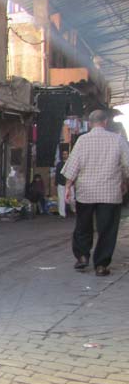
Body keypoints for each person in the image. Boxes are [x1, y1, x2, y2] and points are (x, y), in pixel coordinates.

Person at [63, 109, 129, 276]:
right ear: (105, 122)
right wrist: (124, 181)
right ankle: (101, 265)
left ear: (90, 123)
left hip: (86, 192)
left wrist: (68, 187)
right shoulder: (118, 140)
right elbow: (127, 166)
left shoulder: (82, 140)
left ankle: (83, 256)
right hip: (110, 193)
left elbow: (73, 166)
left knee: (83, 226)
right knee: (107, 229)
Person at [55, 150, 72, 217]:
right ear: (62, 155)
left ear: (68, 155)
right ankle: (62, 214)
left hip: (70, 184)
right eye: (64, 154)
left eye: (66, 154)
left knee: (71, 198)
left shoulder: (71, 163)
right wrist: (56, 183)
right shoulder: (59, 164)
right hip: (61, 183)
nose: (65, 155)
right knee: (61, 199)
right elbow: (57, 174)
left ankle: (73, 210)